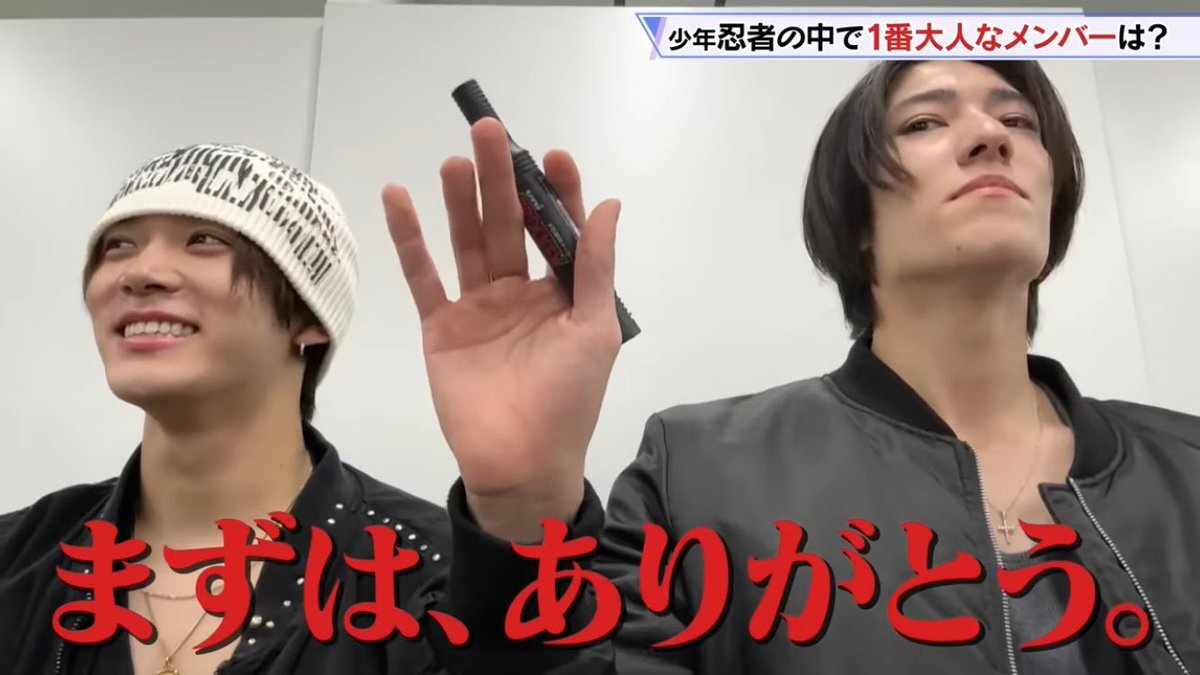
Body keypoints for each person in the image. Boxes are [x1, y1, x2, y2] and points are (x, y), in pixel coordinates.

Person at [386, 60, 1200, 674]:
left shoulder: (1187, 463)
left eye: (1018, 119)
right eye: (925, 122)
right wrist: (523, 509)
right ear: (854, 220)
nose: (993, 136)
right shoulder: (697, 471)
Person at [0, 143, 606, 674]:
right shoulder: (20, 557)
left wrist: (523, 517)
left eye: (205, 240)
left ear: (310, 315)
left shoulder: (428, 572)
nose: (140, 272)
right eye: (117, 246)